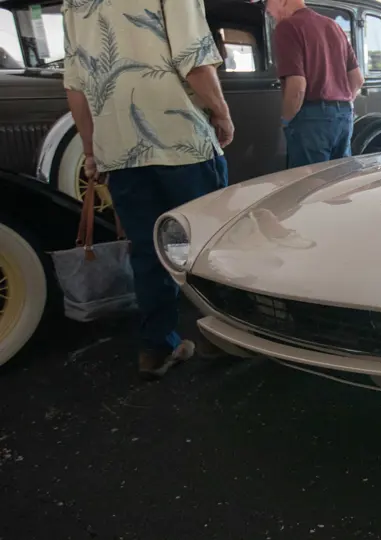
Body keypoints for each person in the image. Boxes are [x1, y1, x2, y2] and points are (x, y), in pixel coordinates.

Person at [62, 0, 234, 380]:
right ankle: (221, 338)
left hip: (119, 150)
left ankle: (157, 347)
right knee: (205, 244)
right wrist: (222, 113)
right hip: (181, 142)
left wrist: (90, 151)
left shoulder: (74, 3)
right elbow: (194, 60)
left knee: (148, 248)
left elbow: (76, 87)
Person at [266, 0, 365, 167]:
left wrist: (286, 121)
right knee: (340, 178)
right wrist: (337, 107)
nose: (272, 17)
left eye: (270, 11)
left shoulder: (287, 26)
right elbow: (357, 79)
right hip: (344, 116)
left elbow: (297, 87)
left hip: (311, 120)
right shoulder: (333, 26)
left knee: (308, 181)